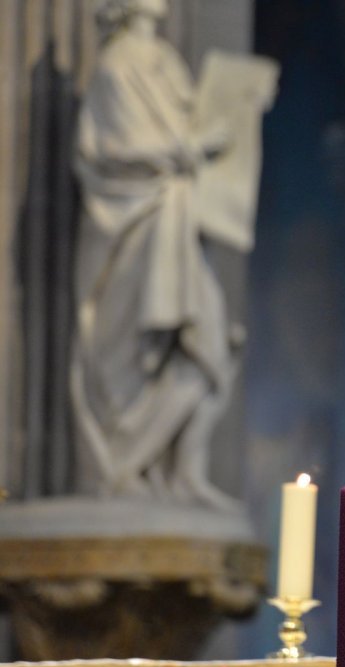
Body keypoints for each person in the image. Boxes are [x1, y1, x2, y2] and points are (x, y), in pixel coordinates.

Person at [71, 0, 238, 508]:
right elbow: (114, 150)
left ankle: (183, 471)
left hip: (176, 223)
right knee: (130, 354)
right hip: (133, 225)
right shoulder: (117, 63)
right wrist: (188, 148)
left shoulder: (164, 59)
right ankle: (120, 467)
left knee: (213, 349)